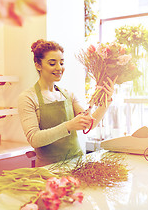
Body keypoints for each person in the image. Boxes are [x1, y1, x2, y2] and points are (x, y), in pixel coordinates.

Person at [18, 39, 116, 167]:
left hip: (78, 164)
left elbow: (89, 124)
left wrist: (106, 101)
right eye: (52, 63)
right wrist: (68, 126)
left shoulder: (68, 94)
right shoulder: (27, 98)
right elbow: (34, 139)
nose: (59, 68)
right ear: (38, 65)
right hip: (49, 169)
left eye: (62, 63)